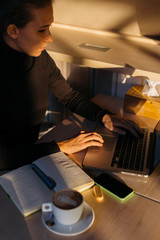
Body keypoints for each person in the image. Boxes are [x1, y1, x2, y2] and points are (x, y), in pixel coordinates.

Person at [0, 0, 143, 170]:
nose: (50, 38)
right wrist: (60, 146)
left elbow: (69, 95)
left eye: (49, 28)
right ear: (13, 31)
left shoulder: (39, 57)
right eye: (41, 30)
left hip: (30, 155)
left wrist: (104, 116)